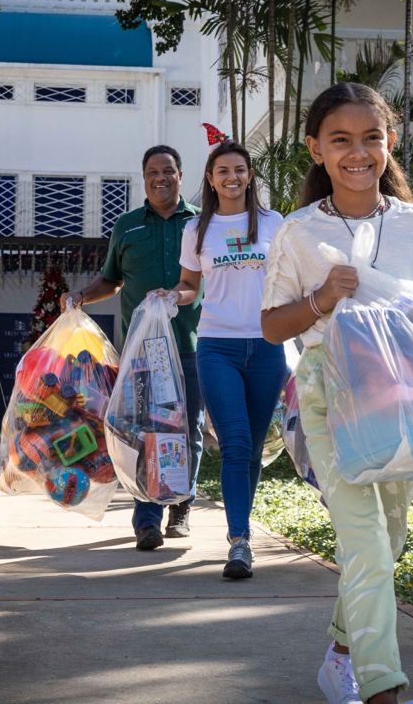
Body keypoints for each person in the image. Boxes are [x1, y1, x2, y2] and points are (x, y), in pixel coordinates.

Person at [260, 83, 413, 704]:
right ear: (316, 149)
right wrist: (322, 299)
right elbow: (271, 324)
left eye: (372, 138)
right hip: (328, 398)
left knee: (389, 542)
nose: (358, 152)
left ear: (389, 143)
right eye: (340, 140)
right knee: (364, 543)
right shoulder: (297, 232)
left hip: (407, 399)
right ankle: (381, 690)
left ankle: (342, 652)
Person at [150, 139, 286, 579]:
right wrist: (174, 295)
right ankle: (239, 542)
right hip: (217, 345)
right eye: (223, 171)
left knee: (251, 453)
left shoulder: (273, 223)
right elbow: (191, 285)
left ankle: (240, 531)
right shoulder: (198, 230)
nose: (232, 177)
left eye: (240, 170)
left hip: (267, 344)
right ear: (210, 179)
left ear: (250, 176)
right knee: (236, 443)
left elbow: (291, 281)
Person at [61, 145, 205, 552]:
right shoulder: (127, 226)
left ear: (180, 175)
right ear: (143, 178)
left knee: (187, 429)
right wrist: (81, 297)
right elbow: (111, 280)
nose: (161, 178)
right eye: (153, 172)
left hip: (190, 346)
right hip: (141, 353)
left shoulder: (199, 224)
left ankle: (181, 504)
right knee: (142, 433)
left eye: (169, 171)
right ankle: (146, 520)